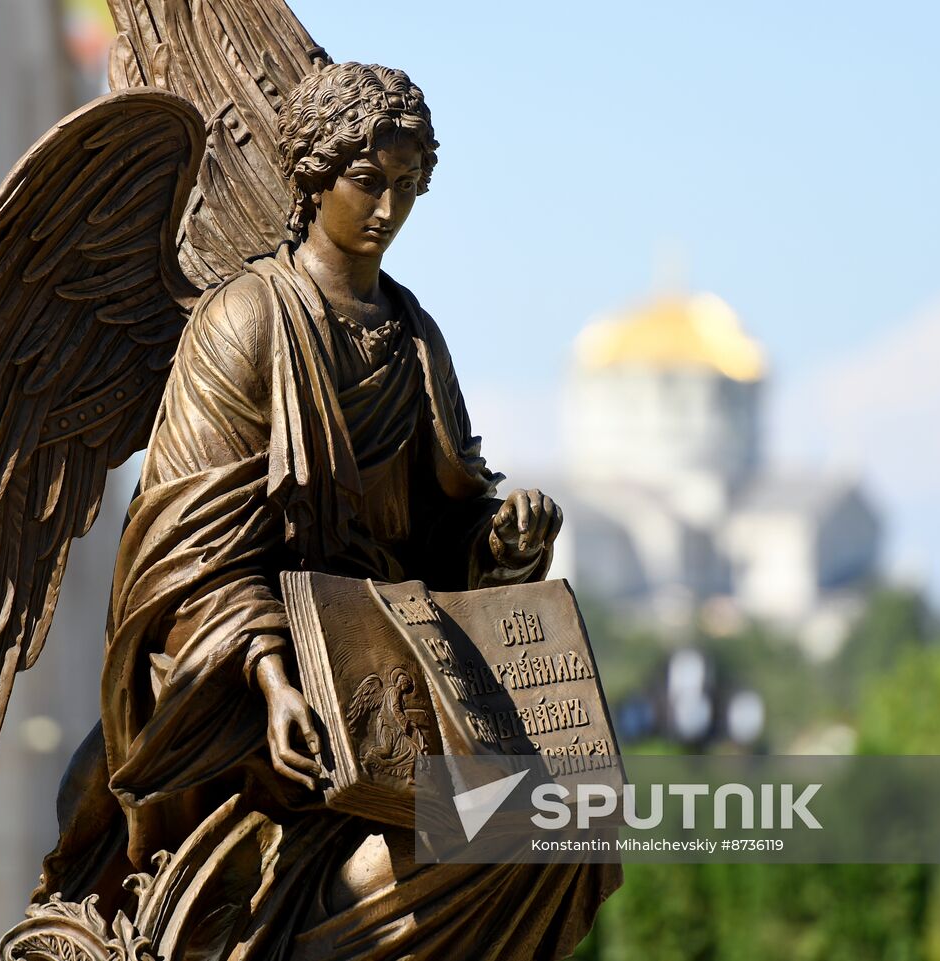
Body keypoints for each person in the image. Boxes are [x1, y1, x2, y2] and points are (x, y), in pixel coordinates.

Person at [40, 62, 615, 959]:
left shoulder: (415, 336)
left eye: (408, 186)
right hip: (249, 681)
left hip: (388, 669)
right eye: (368, 181)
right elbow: (183, 554)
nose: (388, 209)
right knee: (491, 831)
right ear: (313, 177)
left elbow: (436, 529)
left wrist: (497, 546)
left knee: (562, 827)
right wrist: (272, 681)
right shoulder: (246, 322)